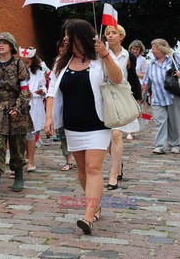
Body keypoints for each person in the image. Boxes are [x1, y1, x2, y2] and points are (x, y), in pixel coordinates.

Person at [45, 19, 122, 235]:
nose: (67, 40)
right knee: (81, 170)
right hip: (72, 125)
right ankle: (94, 204)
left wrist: (106, 54)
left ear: (82, 36)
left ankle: (88, 217)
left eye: (71, 36)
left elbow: (118, 79)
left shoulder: (100, 58)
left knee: (93, 168)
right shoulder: (62, 61)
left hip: (98, 123)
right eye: (65, 37)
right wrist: (49, 118)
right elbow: (52, 92)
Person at [0, 32, 33, 197]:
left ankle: (18, 175)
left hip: (16, 109)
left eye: (4, 42)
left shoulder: (19, 65)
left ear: (11, 46)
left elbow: (25, 90)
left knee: (17, 145)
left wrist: (18, 108)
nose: (0, 45)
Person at [104, 25, 140, 190]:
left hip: (121, 96)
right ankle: (117, 164)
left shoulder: (128, 56)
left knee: (116, 134)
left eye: (113, 33)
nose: (110, 36)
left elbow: (132, 78)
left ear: (121, 36)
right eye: (107, 33)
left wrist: (138, 98)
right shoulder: (101, 52)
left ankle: (113, 175)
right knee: (107, 138)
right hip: (104, 96)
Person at [142, 38, 180, 154]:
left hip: (173, 96)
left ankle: (174, 144)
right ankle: (160, 146)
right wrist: (142, 95)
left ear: (161, 48)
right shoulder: (152, 63)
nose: (151, 51)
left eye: (153, 48)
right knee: (160, 121)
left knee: (174, 121)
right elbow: (147, 81)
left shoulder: (174, 57)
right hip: (157, 97)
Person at [19, 47, 46, 172]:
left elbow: (44, 87)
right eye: (23, 61)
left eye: (28, 61)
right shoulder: (17, 71)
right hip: (21, 104)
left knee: (32, 133)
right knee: (21, 134)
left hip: (35, 104)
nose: (25, 63)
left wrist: (42, 91)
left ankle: (31, 160)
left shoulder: (38, 73)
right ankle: (22, 157)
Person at [52, 40, 73, 171]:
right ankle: (68, 160)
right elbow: (53, 83)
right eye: (60, 47)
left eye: (64, 47)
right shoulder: (58, 62)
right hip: (61, 101)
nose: (62, 50)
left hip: (74, 102)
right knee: (63, 132)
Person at [127, 39, 148, 139]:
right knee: (128, 108)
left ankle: (132, 129)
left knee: (136, 109)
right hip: (127, 84)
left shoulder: (142, 60)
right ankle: (130, 129)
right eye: (133, 49)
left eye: (137, 49)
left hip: (138, 85)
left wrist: (135, 75)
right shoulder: (127, 57)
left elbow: (145, 74)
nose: (134, 51)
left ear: (140, 50)